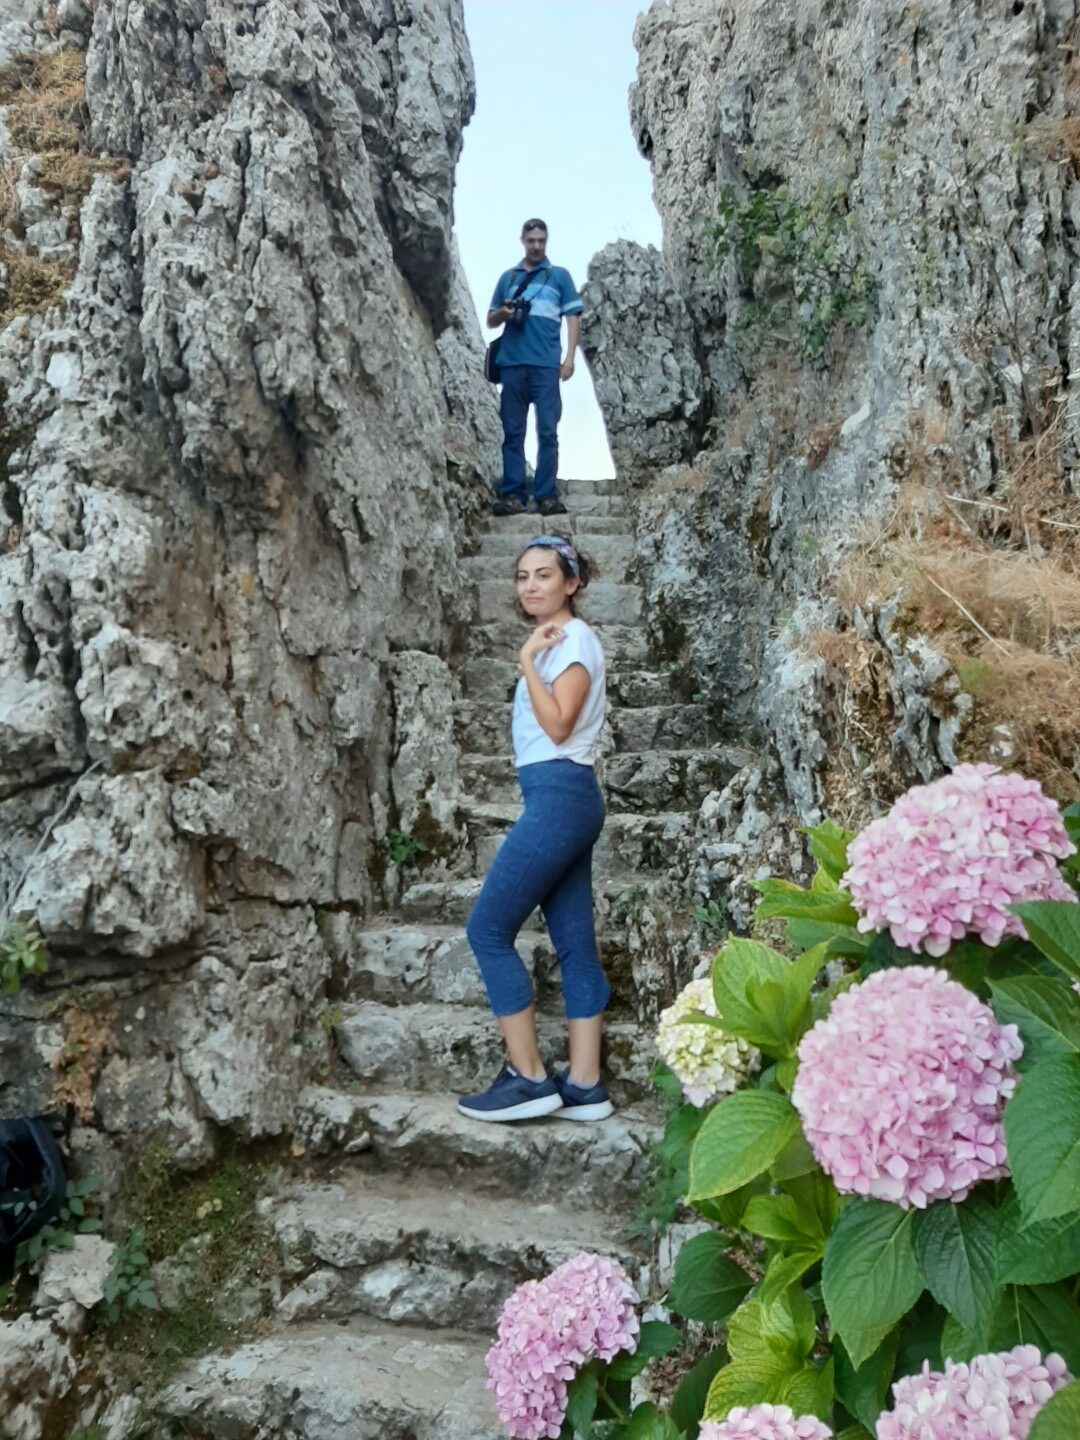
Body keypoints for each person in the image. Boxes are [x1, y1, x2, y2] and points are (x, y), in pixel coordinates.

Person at [459, 535, 613, 1123]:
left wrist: (525, 661)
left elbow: (558, 726)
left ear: (572, 583)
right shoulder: (560, 641)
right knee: (574, 943)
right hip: (561, 796)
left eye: (544, 575)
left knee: (487, 930)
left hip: (560, 796)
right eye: (522, 575)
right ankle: (584, 1085)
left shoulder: (572, 639)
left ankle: (528, 1078)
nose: (530, 585)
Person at [487, 219, 583, 518]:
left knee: (548, 432)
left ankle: (546, 496)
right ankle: (513, 495)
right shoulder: (508, 278)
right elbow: (490, 319)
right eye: (531, 241)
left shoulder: (559, 277)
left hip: (545, 367)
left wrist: (569, 359)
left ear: (547, 240)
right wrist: (504, 313)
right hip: (512, 365)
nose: (537, 246)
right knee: (512, 433)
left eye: (541, 240)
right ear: (523, 241)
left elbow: (573, 319)